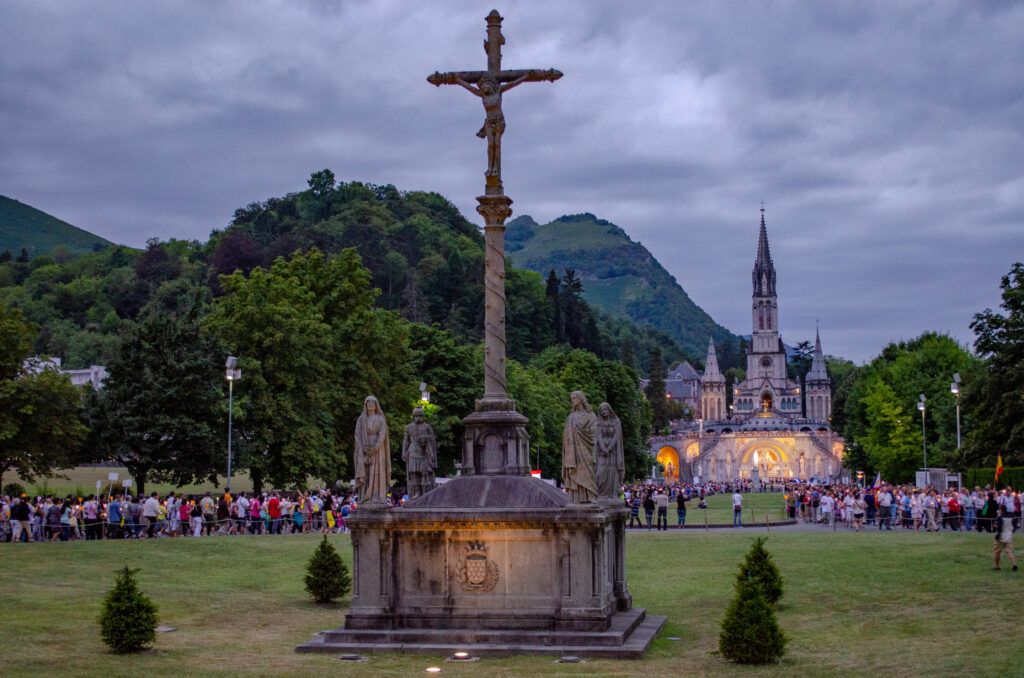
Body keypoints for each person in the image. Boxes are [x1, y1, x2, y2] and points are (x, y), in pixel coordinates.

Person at [354, 396, 392, 503]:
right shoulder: (361, 420)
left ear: (376, 405)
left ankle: (376, 496)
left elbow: (382, 435)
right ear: (365, 405)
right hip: (364, 449)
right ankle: (364, 496)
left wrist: (375, 447)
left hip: (378, 450)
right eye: (368, 402)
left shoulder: (380, 419)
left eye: (372, 402)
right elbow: (357, 436)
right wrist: (363, 447)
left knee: (376, 473)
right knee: (365, 473)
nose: (370, 404)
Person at [562, 391, 598, 504]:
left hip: (586, 448)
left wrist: (582, 432)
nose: (572, 400)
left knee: (588, 471)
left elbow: (594, 431)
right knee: (575, 470)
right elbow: (565, 435)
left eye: (574, 398)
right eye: (571, 398)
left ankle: (590, 495)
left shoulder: (590, 415)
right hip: (572, 450)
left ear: (581, 399)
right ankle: (575, 498)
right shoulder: (570, 416)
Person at [992, 505, 1018, 571]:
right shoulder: (1011, 516)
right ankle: (1014, 564)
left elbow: (999, 526)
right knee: (1009, 551)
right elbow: (1015, 525)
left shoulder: (1000, 517)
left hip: (1001, 536)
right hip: (1009, 536)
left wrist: (995, 526)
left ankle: (997, 566)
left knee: (997, 551)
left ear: (1001, 510)